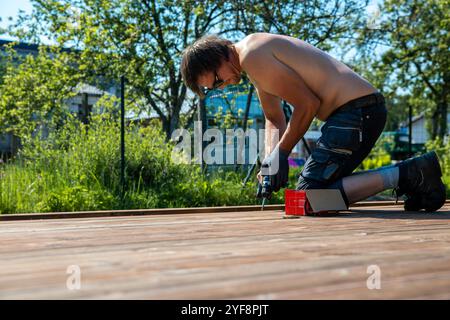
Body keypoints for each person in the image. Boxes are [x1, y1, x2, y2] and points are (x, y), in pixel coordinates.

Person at [180, 33, 446, 212]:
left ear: (220, 56)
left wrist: (283, 153)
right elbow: (274, 118)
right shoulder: (252, 55)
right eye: (215, 88)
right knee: (310, 198)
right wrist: (269, 162)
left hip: (357, 112)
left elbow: (308, 105)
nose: (221, 86)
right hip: (357, 112)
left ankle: (411, 173)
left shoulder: (253, 57)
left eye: (216, 80)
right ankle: (416, 178)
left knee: (305, 200)